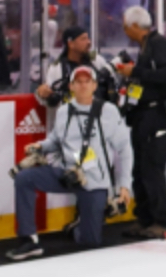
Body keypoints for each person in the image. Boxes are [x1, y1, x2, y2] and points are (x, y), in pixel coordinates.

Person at [6, 66, 133, 260]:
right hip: (65, 173)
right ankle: (28, 240)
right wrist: (39, 146)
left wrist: (124, 185)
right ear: (71, 86)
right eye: (78, 82)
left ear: (94, 85)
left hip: (93, 180)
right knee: (24, 179)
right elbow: (55, 140)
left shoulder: (109, 111)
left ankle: (80, 226)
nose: (83, 85)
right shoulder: (64, 111)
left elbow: (124, 149)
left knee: (91, 242)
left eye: (87, 81)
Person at [114, 5, 166, 239]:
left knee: (152, 169)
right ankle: (145, 218)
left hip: (155, 114)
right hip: (141, 114)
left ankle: (162, 220)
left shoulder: (159, 43)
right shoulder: (146, 46)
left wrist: (135, 72)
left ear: (134, 26)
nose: (124, 31)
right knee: (139, 169)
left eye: (125, 26)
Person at [36, 26, 119, 125]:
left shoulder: (97, 61)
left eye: (88, 38)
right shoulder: (57, 69)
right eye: (83, 39)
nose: (88, 42)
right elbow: (48, 98)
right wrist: (42, 93)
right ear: (71, 44)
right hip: (72, 123)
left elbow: (112, 83)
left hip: (101, 120)